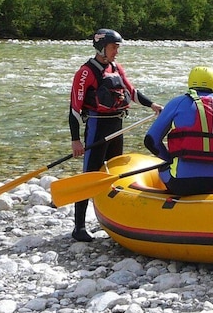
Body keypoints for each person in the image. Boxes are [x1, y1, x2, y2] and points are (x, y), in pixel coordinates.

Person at [69, 28, 163, 242]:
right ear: (101, 48)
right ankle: (79, 226)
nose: (116, 52)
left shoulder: (116, 68)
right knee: (90, 176)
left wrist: (152, 105)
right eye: (113, 47)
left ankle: (111, 218)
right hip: (97, 127)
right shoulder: (85, 73)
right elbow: (74, 109)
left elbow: (131, 92)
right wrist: (76, 140)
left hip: (117, 127)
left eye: (117, 48)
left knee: (114, 172)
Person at [144, 66, 213, 195]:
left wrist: (169, 158)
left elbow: (151, 141)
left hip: (182, 183)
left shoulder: (177, 102)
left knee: (163, 168)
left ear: (190, 83)